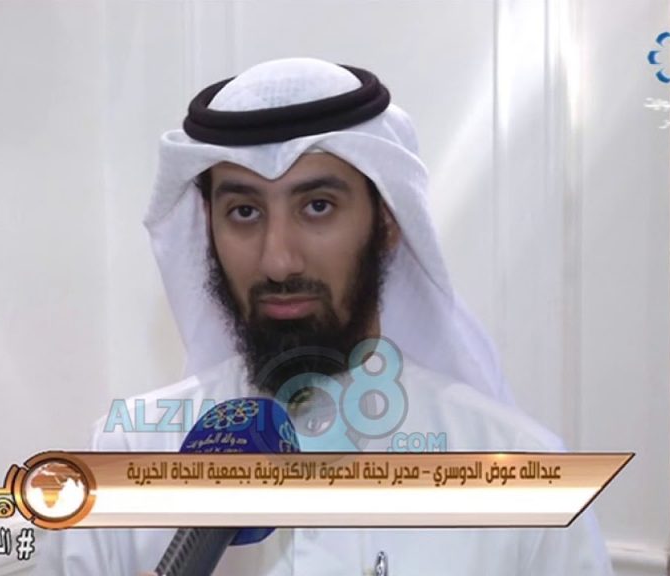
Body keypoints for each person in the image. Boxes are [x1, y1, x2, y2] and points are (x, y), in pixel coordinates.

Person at [35, 57, 613, 575]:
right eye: (243, 212)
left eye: (317, 206)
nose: (277, 260)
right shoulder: (124, 453)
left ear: (386, 222)